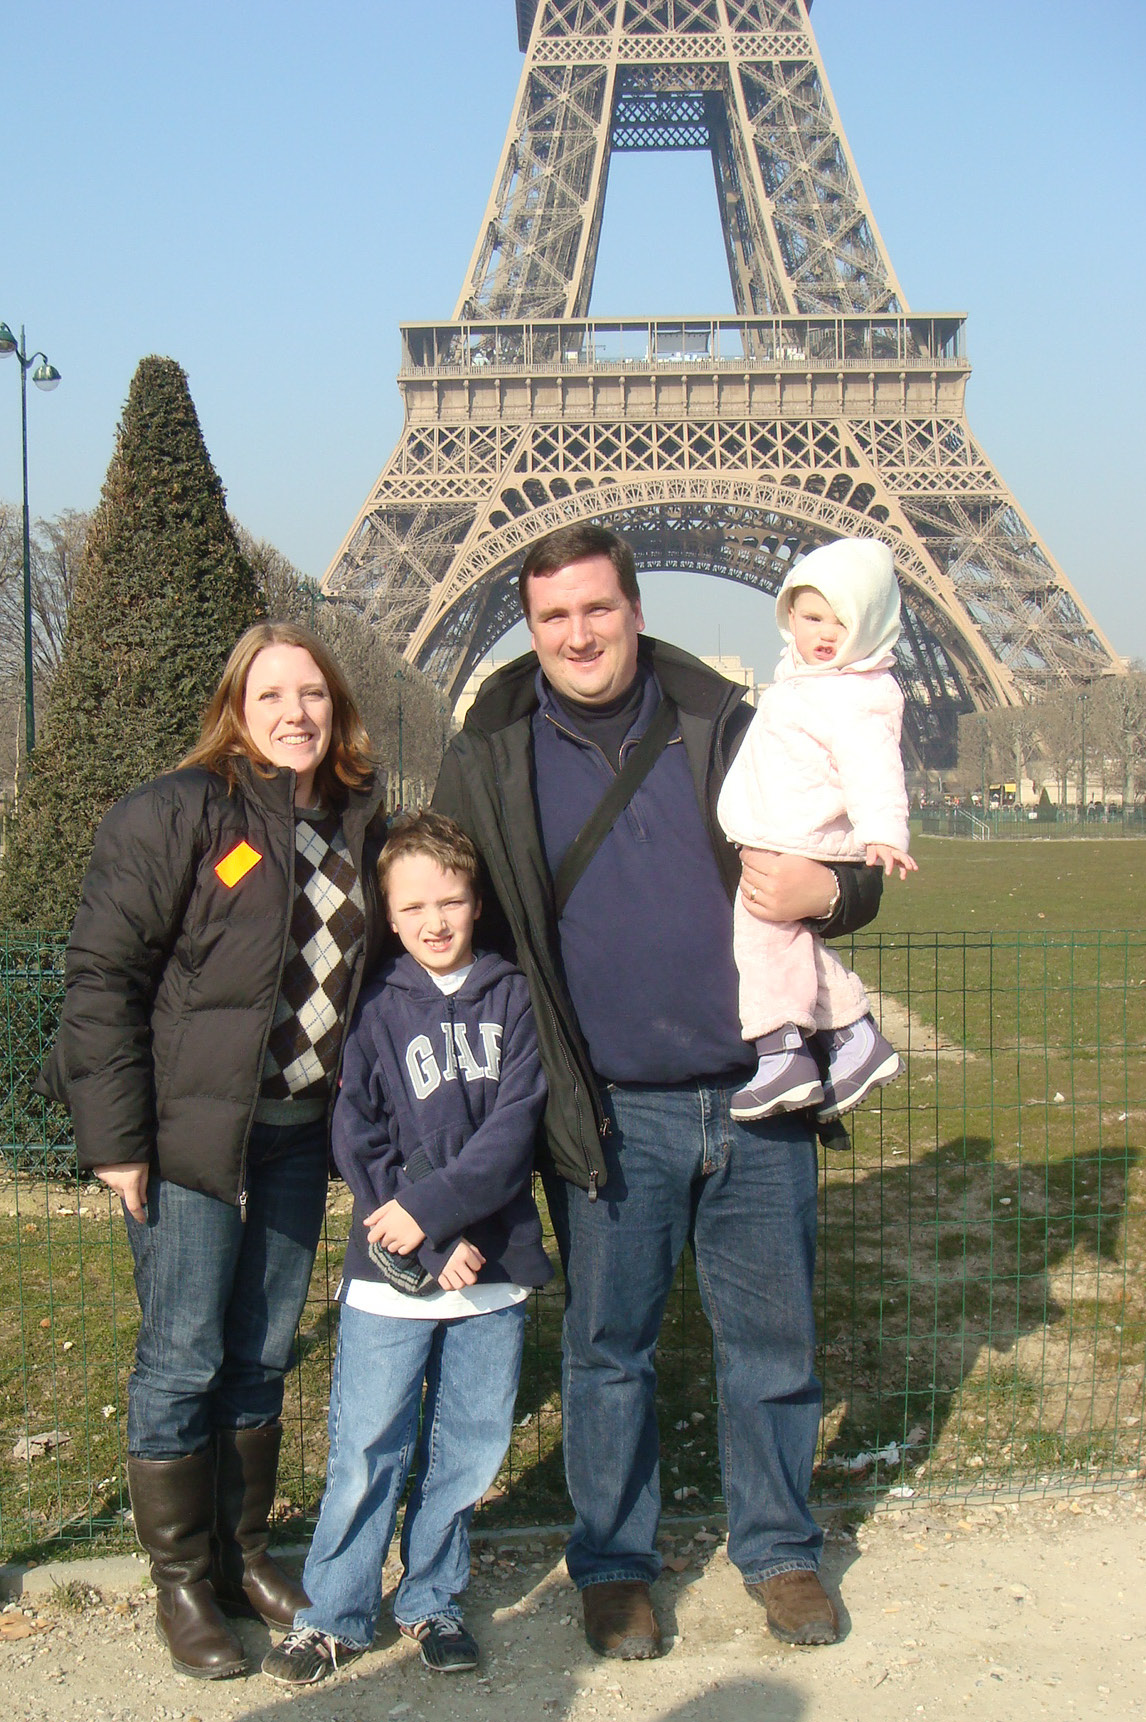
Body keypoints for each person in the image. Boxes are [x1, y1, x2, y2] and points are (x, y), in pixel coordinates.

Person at [432, 523, 884, 1657]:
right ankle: (617, 1565)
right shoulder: (491, 746)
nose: (578, 634)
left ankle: (780, 1551)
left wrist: (832, 887)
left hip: (756, 1092)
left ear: (633, 608)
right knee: (606, 1350)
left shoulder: (732, 718)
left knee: (775, 1345)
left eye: (596, 609)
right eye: (554, 618)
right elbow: (443, 908)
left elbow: (856, 862)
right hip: (609, 1107)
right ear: (530, 630)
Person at [41, 622, 388, 1679]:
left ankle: (242, 1554)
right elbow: (101, 981)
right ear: (236, 707)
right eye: (273, 695)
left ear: (337, 708)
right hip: (190, 1143)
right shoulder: (178, 812)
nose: (296, 714)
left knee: (263, 1353)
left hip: (294, 1136)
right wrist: (117, 1144)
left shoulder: (359, 824)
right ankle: (182, 1582)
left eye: (313, 695)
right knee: (183, 1357)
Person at [262, 811, 551, 1687]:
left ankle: (432, 1599)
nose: (435, 921)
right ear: (387, 914)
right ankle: (335, 1612)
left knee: (466, 1449)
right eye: (415, 905)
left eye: (451, 901)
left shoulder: (512, 998)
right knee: (366, 1448)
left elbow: (514, 1130)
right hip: (395, 1273)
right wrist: (427, 1239)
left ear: (475, 903)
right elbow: (359, 1136)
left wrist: (437, 1214)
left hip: (493, 1271)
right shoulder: (377, 1007)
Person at [716, 536, 916, 1122]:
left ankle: (782, 1050)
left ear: (871, 626)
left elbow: (875, 764)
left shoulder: (853, 693)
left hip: (799, 833)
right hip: (785, 827)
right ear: (789, 617)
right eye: (811, 617)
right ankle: (853, 1038)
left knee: (760, 939)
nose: (825, 632)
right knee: (784, 940)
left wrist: (885, 831)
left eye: (842, 621)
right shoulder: (809, 681)